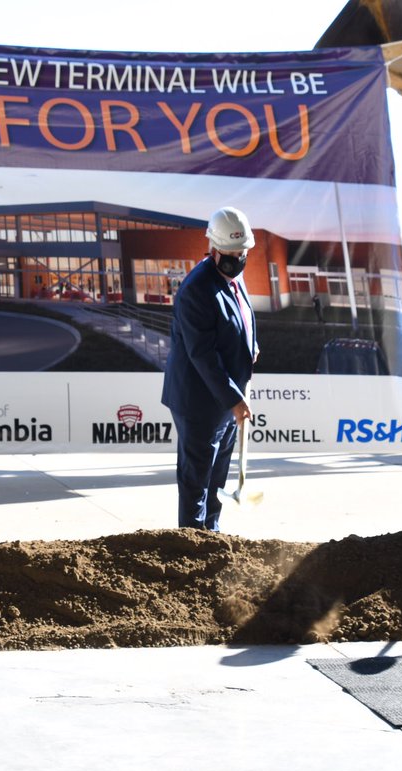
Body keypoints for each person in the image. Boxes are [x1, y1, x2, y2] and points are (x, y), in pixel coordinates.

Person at [161, 206, 259, 530]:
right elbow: (202, 354)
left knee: (216, 477)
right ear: (213, 249)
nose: (238, 258)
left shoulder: (232, 276)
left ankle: (211, 537)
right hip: (200, 402)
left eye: (242, 252)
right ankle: (190, 544)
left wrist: (251, 344)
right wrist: (234, 399)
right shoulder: (196, 290)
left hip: (225, 399)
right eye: (231, 253)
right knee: (197, 482)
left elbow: (241, 317)